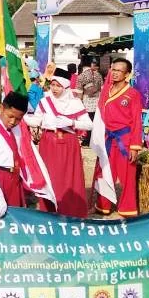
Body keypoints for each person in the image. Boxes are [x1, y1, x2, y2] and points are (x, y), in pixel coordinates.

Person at [26, 68, 93, 218]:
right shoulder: (45, 101)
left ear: (66, 87)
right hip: (48, 143)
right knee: (49, 177)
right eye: (52, 85)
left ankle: (70, 211)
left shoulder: (75, 103)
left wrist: (71, 122)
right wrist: (21, 117)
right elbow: (37, 120)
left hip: (69, 144)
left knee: (69, 179)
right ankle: (48, 211)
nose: (54, 89)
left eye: (58, 86)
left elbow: (89, 125)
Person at [0, 92, 55, 217]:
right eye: (10, 116)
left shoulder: (17, 129)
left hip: (14, 179)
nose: (13, 121)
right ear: (1, 108)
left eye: (18, 119)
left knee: (14, 219)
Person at [92, 58, 143, 217]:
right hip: (107, 138)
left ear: (127, 74)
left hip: (124, 139)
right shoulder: (105, 91)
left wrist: (135, 146)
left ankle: (127, 209)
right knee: (104, 172)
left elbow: (136, 122)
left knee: (127, 177)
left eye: (119, 70)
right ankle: (103, 206)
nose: (114, 73)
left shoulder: (133, 94)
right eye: (113, 69)